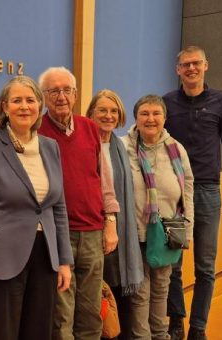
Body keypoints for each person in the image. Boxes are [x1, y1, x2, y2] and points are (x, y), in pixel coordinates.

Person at [0, 75, 73, 340]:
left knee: (39, 333)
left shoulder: (50, 147)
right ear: (4, 107)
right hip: (1, 260)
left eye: (31, 100)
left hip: (44, 258)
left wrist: (64, 261)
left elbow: (58, 208)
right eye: (17, 100)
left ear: (39, 106)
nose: (25, 106)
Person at [164, 46, 222, 340]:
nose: (191, 69)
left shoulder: (221, 101)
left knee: (205, 266)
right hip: (175, 190)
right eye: (186, 65)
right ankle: (176, 323)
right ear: (178, 70)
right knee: (172, 264)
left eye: (196, 63)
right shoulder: (167, 102)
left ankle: (198, 327)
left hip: (208, 190)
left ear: (206, 65)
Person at [38, 66, 120, 340]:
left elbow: (104, 182)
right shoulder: (37, 132)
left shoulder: (90, 128)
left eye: (66, 90)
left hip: (93, 233)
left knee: (90, 312)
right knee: (62, 316)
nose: (61, 96)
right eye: (53, 91)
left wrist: (110, 223)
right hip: (58, 234)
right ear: (43, 96)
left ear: (75, 94)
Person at [122, 94, 194, 340]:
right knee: (140, 292)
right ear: (136, 118)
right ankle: (142, 337)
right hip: (135, 232)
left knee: (162, 288)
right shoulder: (124, 147)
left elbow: (188, 189)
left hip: (167, 233)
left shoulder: (176, 148)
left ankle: (160, 334)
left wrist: (189, 230)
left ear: (165, 118)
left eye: (156, 114)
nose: (150, 119)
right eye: (144, 113)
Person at [86, 89, 144, 339]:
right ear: (91, 113)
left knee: (117, 293)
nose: (108, 116)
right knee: (97, 296)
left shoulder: (121, 147)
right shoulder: (84, 142)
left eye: (113, 111)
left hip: (120, 233)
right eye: (102, 110)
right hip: (91, 230)